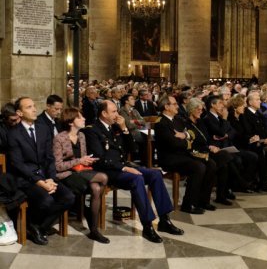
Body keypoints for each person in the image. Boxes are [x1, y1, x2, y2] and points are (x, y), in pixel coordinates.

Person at [84, 99, 183, 243]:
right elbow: (100, 158)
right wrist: (124, 167)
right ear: (104, 113)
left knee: (155, 174)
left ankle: (164, 220)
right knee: (137, 178)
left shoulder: (115, 127)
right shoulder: (92, 130)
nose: (117, 114)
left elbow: (132, 149)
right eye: (113, 112)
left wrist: (124, 128)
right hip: (107, 171)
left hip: (123, 166)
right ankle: (147, 226)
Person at [8, 97, 75, 245]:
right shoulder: (13, 133)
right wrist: (40, 182)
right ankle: (36, 226)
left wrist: (50, 178)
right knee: (46, 200)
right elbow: (18, 164)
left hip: (45, 175)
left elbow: (50, 157)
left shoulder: (42, 128)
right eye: (29, 107)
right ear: (19, 112)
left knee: (69, 197)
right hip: (25, 178)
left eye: (34, 106)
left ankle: (37, 227)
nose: (34, 109)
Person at [52, 106, 108, 243]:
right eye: (79, 117)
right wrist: (79, 160)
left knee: (96, 188)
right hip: (66, 175)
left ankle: (93, 229)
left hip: (81, 171)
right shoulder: (59, 138)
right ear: (71, 122)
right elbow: (57, 166)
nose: (84, 119)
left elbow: (82, 159)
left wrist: (88, 160)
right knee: (103, 177)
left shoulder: (81, 135)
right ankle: (88, 211)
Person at [155, 94, 216, 215]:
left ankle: (202, 200)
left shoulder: (178, 119)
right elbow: (173, 144)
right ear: (166, 106)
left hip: (182, 155)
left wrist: (185, 136)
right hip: (169, 158)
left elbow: (191, 133)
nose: (177, 106)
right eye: (174, 104)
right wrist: (187, 140)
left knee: (211, 164)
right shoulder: (161, 123)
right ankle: (188, 204)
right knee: (198, 167)